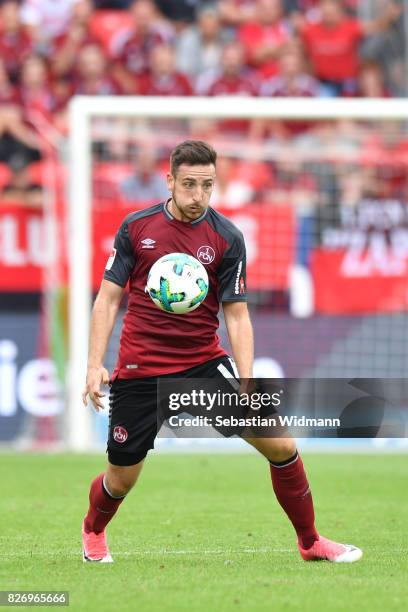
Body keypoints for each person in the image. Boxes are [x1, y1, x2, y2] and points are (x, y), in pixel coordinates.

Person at [81, 140, 362, 564]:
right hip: (140, 370)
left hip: (202, 365)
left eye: (207, 186)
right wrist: (93, 365)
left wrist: (247, 377)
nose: (198, 196)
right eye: (190, 185)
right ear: (170, 180)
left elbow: (237, 315)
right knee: (121, 478)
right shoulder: (136, 228)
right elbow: (106, 301)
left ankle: (310, 542)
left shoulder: (227, 237)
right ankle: (94, 529)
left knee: (281, 445)